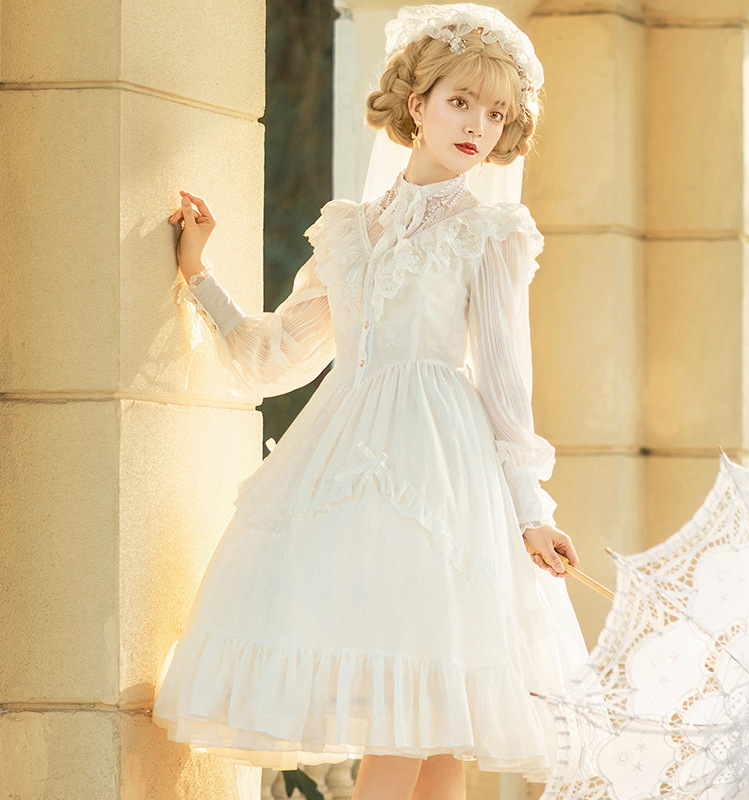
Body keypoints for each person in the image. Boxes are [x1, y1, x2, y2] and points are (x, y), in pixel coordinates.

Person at [153, 5, 588, 799]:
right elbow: (274, 355)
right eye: (461, 101)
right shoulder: (348, 230)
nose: (478, 126)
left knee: (431, 719)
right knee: (421, 723)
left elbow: (504, 383)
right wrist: (197, 272)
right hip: (342, 467)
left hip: (441, 477)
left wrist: (531, 510)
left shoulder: (490, 232)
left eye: (497, 113)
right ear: (418, 103)